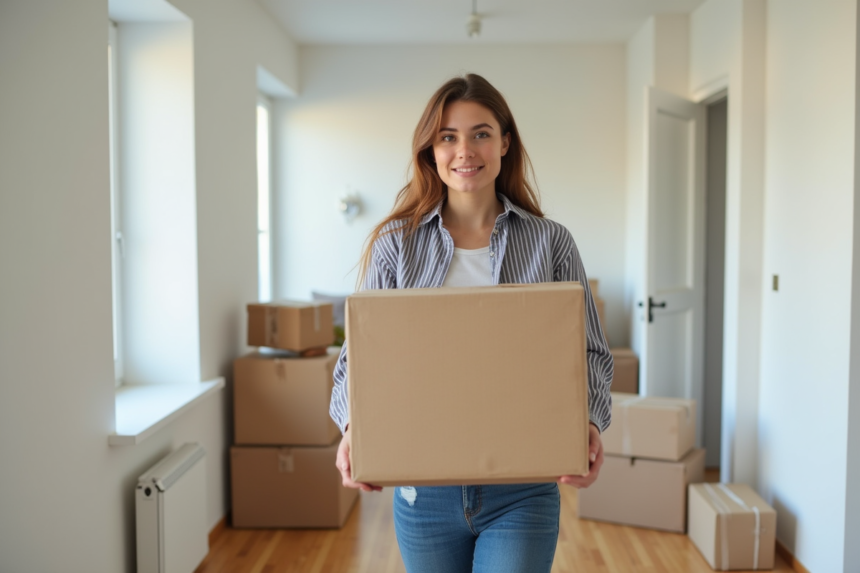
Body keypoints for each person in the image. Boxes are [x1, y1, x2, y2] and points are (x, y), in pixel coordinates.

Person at [328, 73, 613, 573]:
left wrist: (588, 421)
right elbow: (361, 360)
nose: (465, 150)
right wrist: (354, 427)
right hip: (424, 495)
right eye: (448, 136)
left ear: (505, 142)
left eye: (481, 133)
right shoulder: (396, 245)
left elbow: (589, 351)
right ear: (431, 150)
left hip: (522, 491)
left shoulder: (552, 243)